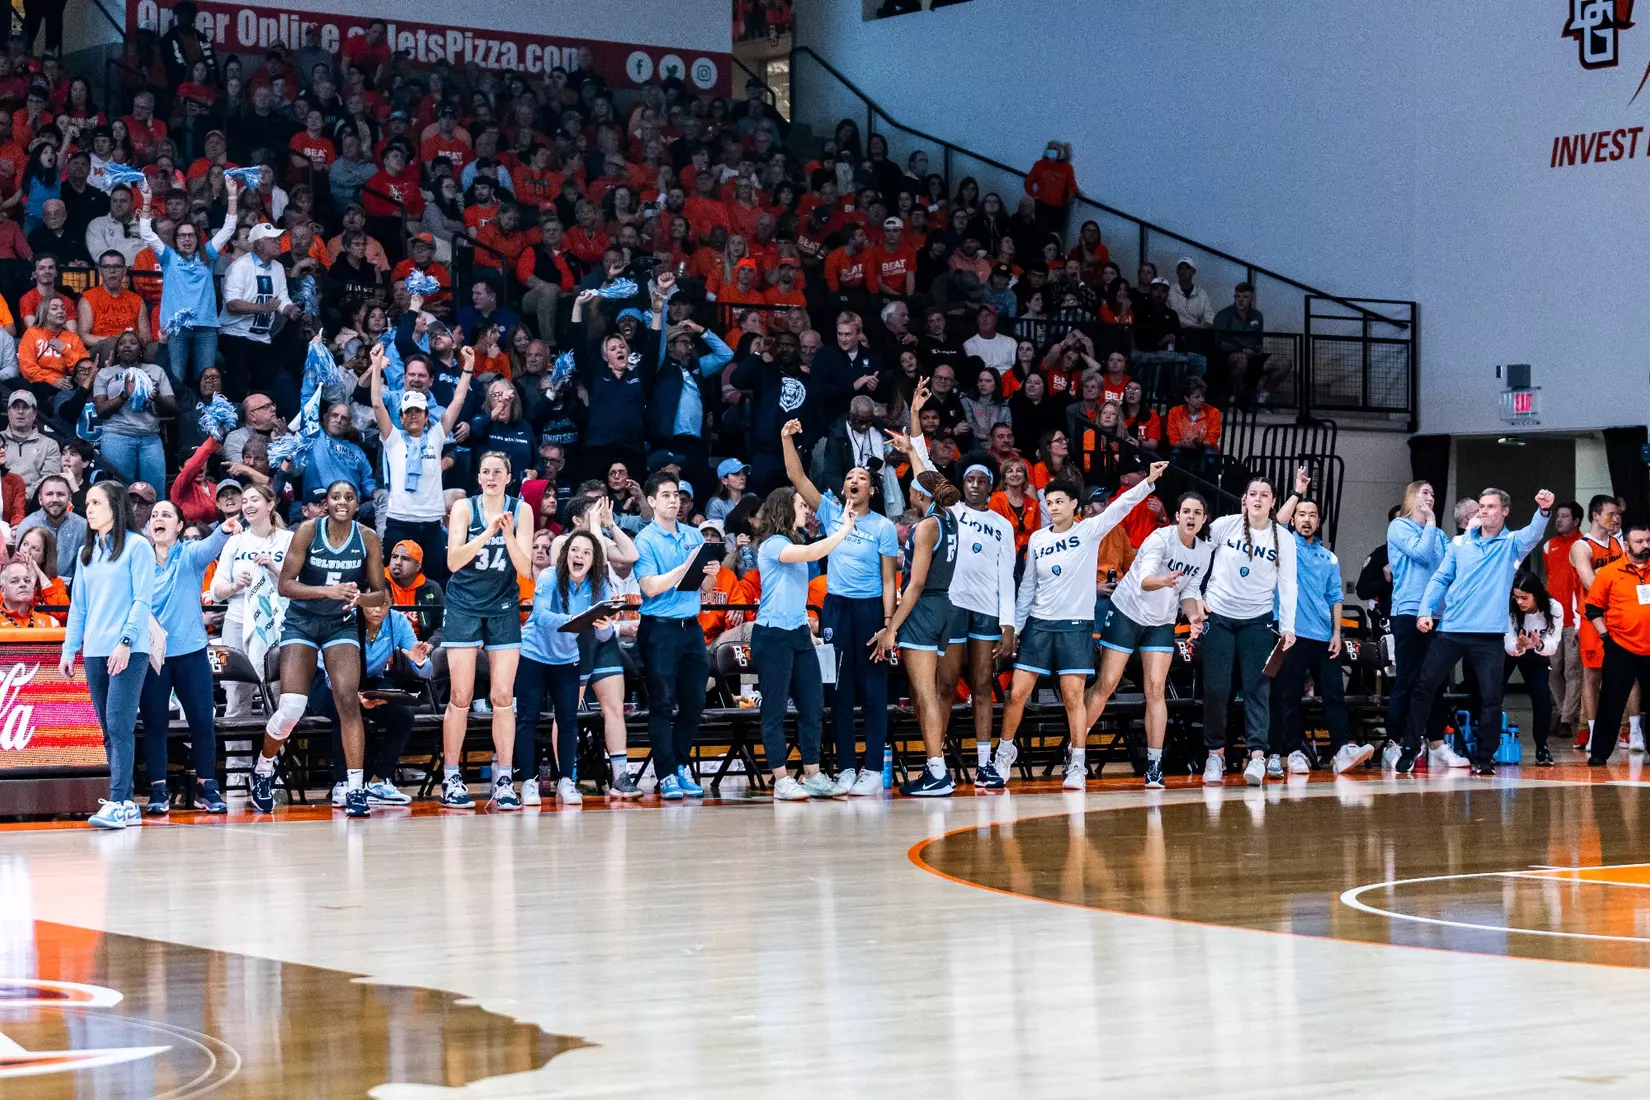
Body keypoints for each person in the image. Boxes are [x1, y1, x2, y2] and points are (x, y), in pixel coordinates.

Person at [990, 465, 1163, 789]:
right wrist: (1013, 627)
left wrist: (1149, 483)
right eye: (1050, 502)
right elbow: (1027, 587)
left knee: (1073, 697)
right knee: (1016, 695)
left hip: (1075, 628)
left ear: (1073, 505)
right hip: (1040, 626)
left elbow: (1119, 508)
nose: (1054, 506)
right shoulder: (1039, 539)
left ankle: (1077, 764)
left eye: (1059, 501)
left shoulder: (1088, 531)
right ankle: (1004, 754)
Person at [252, 481, 387, 818]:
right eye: (336, 496)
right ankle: (264, 768)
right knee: (292, 707)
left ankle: (355, 788)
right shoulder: (308, 531)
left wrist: (358, 598)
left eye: (349, 497)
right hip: (301, 623)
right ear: (326, 502)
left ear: (357, 504)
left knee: (347, 698)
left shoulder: (367, 537)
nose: (342, 502)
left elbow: (380, 595)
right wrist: (328, 592)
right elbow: (285, 585)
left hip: (339, 626)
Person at [780, 416, 899, 796]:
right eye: (849, 476)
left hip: (870, 613)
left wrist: (888, 625)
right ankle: (847, 768)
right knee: (841, 692)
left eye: (861, 477)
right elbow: (798, 479)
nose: (853, 480)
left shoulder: (883, 527)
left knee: (874, 691)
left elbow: (889, 580)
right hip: (835, 608)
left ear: (871, 488)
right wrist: (786, 438)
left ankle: (871, 771)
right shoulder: (831, 513)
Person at [1399, 488, 1553, 776]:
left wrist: (1543, 511)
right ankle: (1410, 749)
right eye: (1481, 506)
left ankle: (1484, 758)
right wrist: (1424, 610)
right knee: (1424, 686)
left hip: (1488, 635)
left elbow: (1533, 533)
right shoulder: (1459, 544)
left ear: (1505, 511)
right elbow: (1441, 577)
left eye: (1491, 506)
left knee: (1491, 696)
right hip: (1452, 629)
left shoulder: (1510, 544)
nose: (1484, 511)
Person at [906, 408, 1017, 788]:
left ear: (990, 485)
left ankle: (986, 764)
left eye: (979, 481)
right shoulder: (949, 510)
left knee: (984, 686)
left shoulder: (1003, 524)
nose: (972, 485)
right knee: (945, 686)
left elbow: (1008, 577)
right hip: (953, 608)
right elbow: (924, 468)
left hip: (987, 612)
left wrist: (1009, 624)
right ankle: (935, 763)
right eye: (967, 479)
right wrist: (916, 416)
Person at [1077, 492, 1212, 789]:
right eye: (1186, 511)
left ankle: (1154, 764)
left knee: (1155, 689)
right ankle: (1075, 754)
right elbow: (1144, 580)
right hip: (1128, 611)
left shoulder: (1203, 552)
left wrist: (1193, 617)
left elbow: (1189, 593)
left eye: (1197, 512)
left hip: (1160, 621)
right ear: (1177, 516)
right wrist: (1164, 581)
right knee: (1108, 683)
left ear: (1203, 520)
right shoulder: (1159, 540)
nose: (1191, 517)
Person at [439, 451, 534, 810]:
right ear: (478, 478)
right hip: (464, 602)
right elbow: (452, 561)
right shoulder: (465, 508)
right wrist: (488, 533)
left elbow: (526, 569)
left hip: (503, 604)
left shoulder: (521, 510)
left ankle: (505, 779)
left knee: (502, 696)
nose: (491, 476)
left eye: (498, 471)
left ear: (509, 477)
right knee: (461, 695)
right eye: (485, 471)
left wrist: (508, 535)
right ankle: (451, 777)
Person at [750, 485, 856, 800]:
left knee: (812, 705)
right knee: (775, 709)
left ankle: (812, 774)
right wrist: (845, 530)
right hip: (771, 636)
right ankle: (781, 779)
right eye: (800, 504)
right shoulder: (771, 545)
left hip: (797, 633)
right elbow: (813, 554)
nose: (806, 509)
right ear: (784, 508)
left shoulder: (796, 540)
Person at [60, 482, 155, 830]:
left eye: (96, 502)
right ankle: (127, 801)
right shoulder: (88, 552)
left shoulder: (137, 547)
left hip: (128, 650)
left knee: (119, 724)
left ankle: (118, 800)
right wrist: (70, 648)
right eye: (87, 503)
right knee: (107, 729)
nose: (89, 509)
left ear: (115, 506)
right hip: (95, 650)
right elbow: (79, 608)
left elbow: (142, 600)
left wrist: (126, 641)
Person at [1195, 477, 1299, 786]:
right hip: (1220, 616)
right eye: (1252, 493)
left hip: (1257, 619)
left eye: (1264, 494)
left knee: (1257, 688)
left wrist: (1288, 625)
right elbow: (1197, 554)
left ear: (1272, 502)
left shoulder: (1283, 538)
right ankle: (1215, 755)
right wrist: (1195, 598)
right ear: (1244, 499)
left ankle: (1257, 757)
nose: (1257, 498)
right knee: (1216, 689)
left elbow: (1288, 584)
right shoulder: (1225, 525)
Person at [1271, 466, 1371, 776]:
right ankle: (1293, 751)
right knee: (1288, 696)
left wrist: (1337, 632)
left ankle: (1341, 749)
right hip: (1290, 634)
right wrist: (1297, 491)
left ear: (1318, 521)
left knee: (1333, 694)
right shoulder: (1284, 544)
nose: (1306, 519)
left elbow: (1335, 598)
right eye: (1301, 513)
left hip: (1323, 635)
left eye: (1312, 514)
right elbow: (1276, 522)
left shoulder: (1329, 557)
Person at [138, 502, 236, 816]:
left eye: (166, 514)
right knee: (155, 725)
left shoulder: (190, 555)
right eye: (154, 515)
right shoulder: (139, 560)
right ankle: (157, 790)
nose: (158, 519)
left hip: (192, 653)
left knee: (202, 722)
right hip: (154, 655)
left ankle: (208, 788)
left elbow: (213, 543)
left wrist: (224, 528)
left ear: (180, 526)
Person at [869, 470, 961, 796]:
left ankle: (937, 771)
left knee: (924, 693)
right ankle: (934, 769)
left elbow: (916, 583)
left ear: (918, 495)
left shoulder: (926, 527)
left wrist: (890, 627)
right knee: (927, 694)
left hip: (923, 608)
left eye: (910, 491)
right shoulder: (950, 518)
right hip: (945, 607)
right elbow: (930, 477)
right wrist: (911, 449)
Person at [634, 470, 720, 799]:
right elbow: (650, 587)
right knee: (662, 703)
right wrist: (684, 568)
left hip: (690, 627)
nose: (674, 500)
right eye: (667, 495)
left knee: (694, 701)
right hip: (659, 629)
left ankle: (681, 764)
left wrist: (710, 572)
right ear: (653, 501)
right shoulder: (646, 540)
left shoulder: (693, 536)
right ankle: (666, 772)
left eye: (677, 495)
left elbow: (705, 589)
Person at [518, 530, 619, 805]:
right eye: (575, 550)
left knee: (567, 720)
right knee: (526, 717)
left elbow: (603, 638)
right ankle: (527, 782)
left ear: (594, 559)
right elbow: (538, 615)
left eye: (587, 552)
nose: (580, 556)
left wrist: (605, 627)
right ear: (566, 554)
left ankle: (566, 781)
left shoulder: (601, 588)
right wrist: (574, 619)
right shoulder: (550, 576)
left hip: (566, 658)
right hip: (533, 654)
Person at [370, 340, 473, 583]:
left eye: (418, 411)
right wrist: (376, 366)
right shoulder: (393, 439)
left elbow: (457, 402)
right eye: (409, 412)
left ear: (427, 416)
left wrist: (467, 369)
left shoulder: (436, 436)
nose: (414, 415)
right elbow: (376, 403)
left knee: (434, 581)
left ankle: (432, 623)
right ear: (401, 416)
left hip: (430, 524)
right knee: (392, 581)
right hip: (399, 521)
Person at [138, 176, 237, 384]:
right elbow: (146, 233)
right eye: (182, 235)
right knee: (176, 378)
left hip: (206, 327)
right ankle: (178, 416)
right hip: (177, 329)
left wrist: (233, 195)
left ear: (197, 238)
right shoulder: (168, 257)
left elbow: (228, 229)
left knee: (206, 380)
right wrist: (147, 201)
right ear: (175, 239)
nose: (186, 239)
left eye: (191, 235)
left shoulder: (207, 255)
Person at [209, 483, 289, 716]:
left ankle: (274, 753)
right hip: (237, 620)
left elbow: (298, 583)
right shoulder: (235, 542)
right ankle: (238, 755)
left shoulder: (288, 539)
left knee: (278, 692)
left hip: (278, 622)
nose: (248, 505)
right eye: (244, 501)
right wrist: (235, 585)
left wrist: (274, 568)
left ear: (270, 504)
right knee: (236, 694)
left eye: (254, 500)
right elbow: (215, 590)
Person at [1570, 494, 1637, 753]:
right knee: (1592, 675)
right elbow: (1591, 584)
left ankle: (1633, 731)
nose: (1616, 518)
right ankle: (1593, 730)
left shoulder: (1619, 544)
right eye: (1611, 513)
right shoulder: (1581, 546)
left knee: (1630, 675)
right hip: (1593, 619)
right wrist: (1614, 574)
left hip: (1621, 617)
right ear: (1596, 515)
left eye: (1619, 514)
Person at [1584, 521, 1650, 767]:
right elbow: (1592, 609)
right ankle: (1599, 753)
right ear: (1626, 545)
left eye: (1648, 541)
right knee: (1611, 702)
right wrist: (1605, 637)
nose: (1645, 546)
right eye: (1639, 542)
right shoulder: (1610, 573)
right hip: (1621, 647)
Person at [93, 331, 174, 489]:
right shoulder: (106, 373)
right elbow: (101, 410)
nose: (127, 346)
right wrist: (124, 395)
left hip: (150, 438)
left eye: (133, 342)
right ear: (117, 350)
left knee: (154, 490)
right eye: (122, 343)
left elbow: (173, 408)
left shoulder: (156, 371)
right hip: (117, 436)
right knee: (119, 492)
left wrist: (156, 396)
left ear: (141, 349)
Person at [1506, 571, 1562, 766]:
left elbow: (1553, 643)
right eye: (1516, 597)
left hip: (1537, 652)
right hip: (1511, 651)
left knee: (1542, 698)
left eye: (1524, 598)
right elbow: (1508, 641)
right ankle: (1489, 743)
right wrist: (1519, 646)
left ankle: (1542, 746)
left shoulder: (1554, 608)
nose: (1520, 602)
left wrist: (1538, 645)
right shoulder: (1511, 609)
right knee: (1493, 692)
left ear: (1536, 595)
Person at [1541, 500, 1584, 746]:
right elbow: (1550, 579)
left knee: (1572, 670)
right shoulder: (1549, 546)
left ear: (1576, 521)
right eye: (1558, 516)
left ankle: (1567, 719)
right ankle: (1564, 711)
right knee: (1552, 670)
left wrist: (1580, 619)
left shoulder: (1583, 545)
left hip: (1575, 618)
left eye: (1565, 516)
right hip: (1553, 619)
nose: (1559, 520)